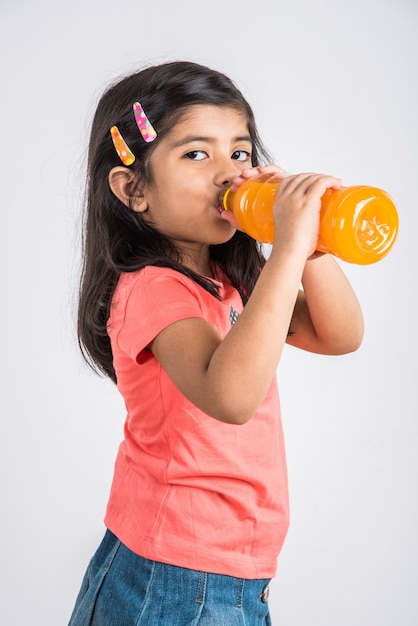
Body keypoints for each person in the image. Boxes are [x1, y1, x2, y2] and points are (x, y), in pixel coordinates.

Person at [69, 60, 364, 625]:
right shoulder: (153, 290)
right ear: (134, 189)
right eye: (197, 154)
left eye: (241, 152)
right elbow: (230, 396)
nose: (230, 173)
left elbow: (340, 334)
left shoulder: (233, 285)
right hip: (173, 575)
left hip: (230, 570)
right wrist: (287, 255)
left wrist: (311, 241)